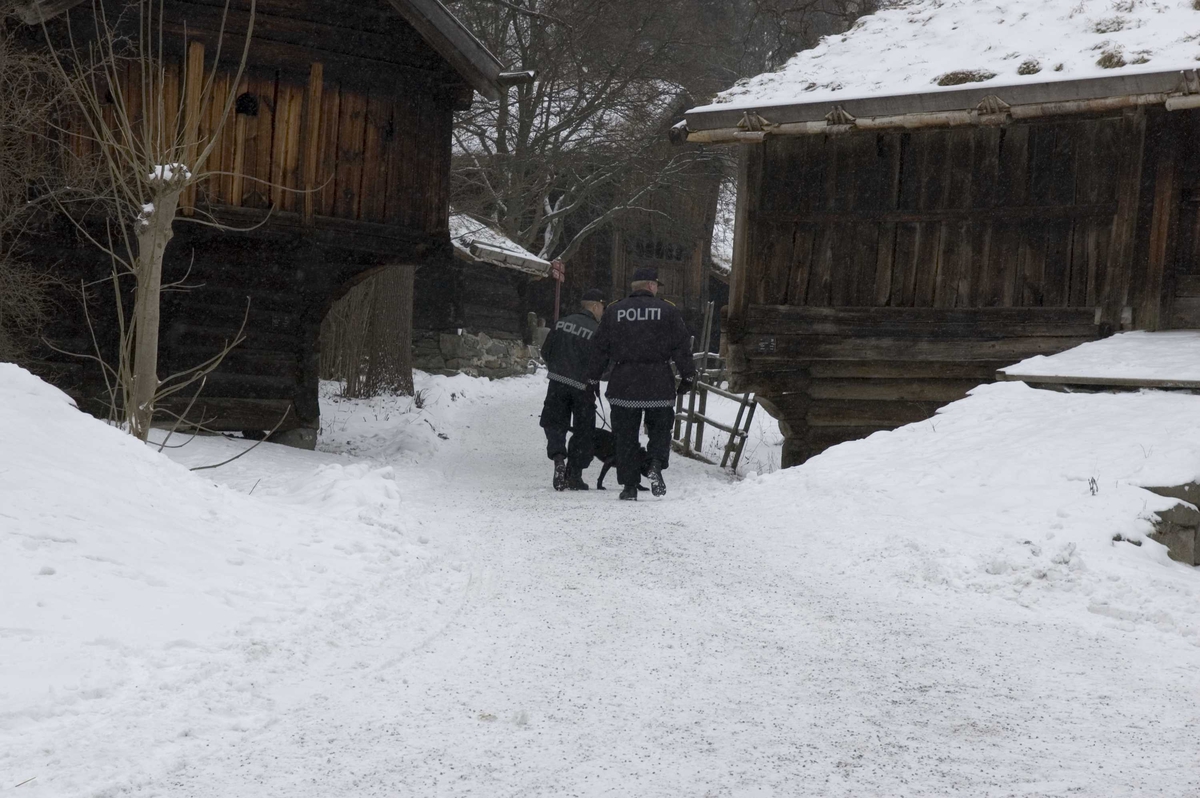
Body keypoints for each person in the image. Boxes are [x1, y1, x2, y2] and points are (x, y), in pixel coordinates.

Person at [586, 267, 695, 501]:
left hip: (624, 381)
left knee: (624, 436)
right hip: (658, 381)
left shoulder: (615, 310)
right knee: (659, 430)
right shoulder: (668, 311)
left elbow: (599, 349)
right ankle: (655, 463)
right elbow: (681, 347)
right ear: (652, 286)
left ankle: (630, 486)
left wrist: (593, 378)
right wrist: (687, 377)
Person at [540, 289, 606, 491]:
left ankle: (558, 457)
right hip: (583, 387)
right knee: (583, 431)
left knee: (555, 423)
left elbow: (545, 352)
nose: (603, 311)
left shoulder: (561, 323)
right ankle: (574, 474)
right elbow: (602, 362)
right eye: (602, 307)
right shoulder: (597, 330)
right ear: (595, 306)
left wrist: (557, 368)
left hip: (557, 383)